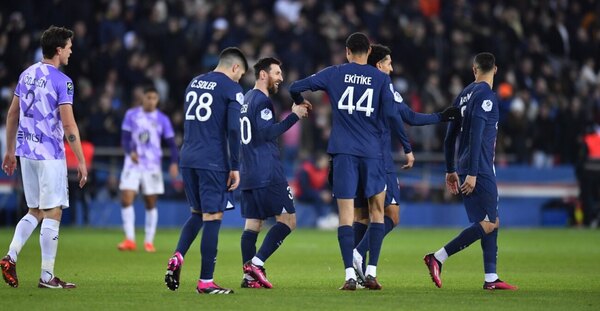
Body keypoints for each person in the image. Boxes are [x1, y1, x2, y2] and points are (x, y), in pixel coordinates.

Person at [289, 32, 411, 290]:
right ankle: (372, 273)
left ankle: (348, 276)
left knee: (347, 216)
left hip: (343, 153)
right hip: (372, 155)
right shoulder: (380, 78)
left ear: (346, 51)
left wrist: (301, 103)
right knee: (377, 213)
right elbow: (392, 113)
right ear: (368, 52)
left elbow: (295, 87)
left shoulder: (334, 73)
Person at [351, 44, 460, 284]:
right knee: (391, 215)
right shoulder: (383, 85)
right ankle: (359, 256)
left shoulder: (356, 84)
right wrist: (412, 143)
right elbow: (404, 116)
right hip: (378, 158)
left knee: (362, 217)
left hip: (353, 156)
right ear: (379, 65)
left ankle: (361, 275)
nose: (392, 67)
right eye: (389, 63)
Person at [0, 25, 88, 289]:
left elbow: (12, 114)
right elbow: (69, 125)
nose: (71, 52)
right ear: (59, 50)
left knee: (35, 210)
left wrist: (9, 150)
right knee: (53, 212)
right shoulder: (63, 81)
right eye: (69, 47)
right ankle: (47, 276)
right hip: (49, 154)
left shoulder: (27, 74)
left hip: (26, 153)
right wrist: (81, 160)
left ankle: (10, 256)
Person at [423, 52, 518, 290]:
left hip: (466, 165)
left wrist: (450, 169)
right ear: (495, 69)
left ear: (474, 70)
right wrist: (474, 173)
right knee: (487, 223)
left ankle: (491, 278)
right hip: (480, 167)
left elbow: (449, 137)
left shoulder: (463, 95)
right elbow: (476, 133)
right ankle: (438, 257)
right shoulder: (486, 95)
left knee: (491, 220)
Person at [164, 47, 247, 294]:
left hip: (188, 156)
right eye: (240, 74)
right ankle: (206, 281)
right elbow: (234, 130)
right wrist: (235, 166)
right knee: (213, 217)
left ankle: (178, 255)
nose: (239, 80)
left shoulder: (195, 82)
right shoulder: (232, 88)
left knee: (197, 213)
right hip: (212, 159)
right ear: (234, 67)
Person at [239, 57, 309, 289]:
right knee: (289, 220)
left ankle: (249, 278)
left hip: (248, 171)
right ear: (262, 75)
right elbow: (268, 134)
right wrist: (295, 115)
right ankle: (256, 265)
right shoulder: (263, 101)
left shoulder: (246, 99)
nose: (281, 78)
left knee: (253, 224)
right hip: (266, 171)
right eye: (277, 73)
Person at [117, 86, 178, 252]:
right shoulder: (131, 115)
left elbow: (172, 144)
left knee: (150, 202)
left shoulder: (162, 119)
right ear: (142, 98)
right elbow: (125, 138)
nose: (151, 101)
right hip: (133, 163)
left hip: (152, 165)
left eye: (154, 98)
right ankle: (129, 239)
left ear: (157, 100)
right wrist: (130, 152)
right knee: (126, 198)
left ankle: (149, 241)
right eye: (148, 97)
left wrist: (174, 162)